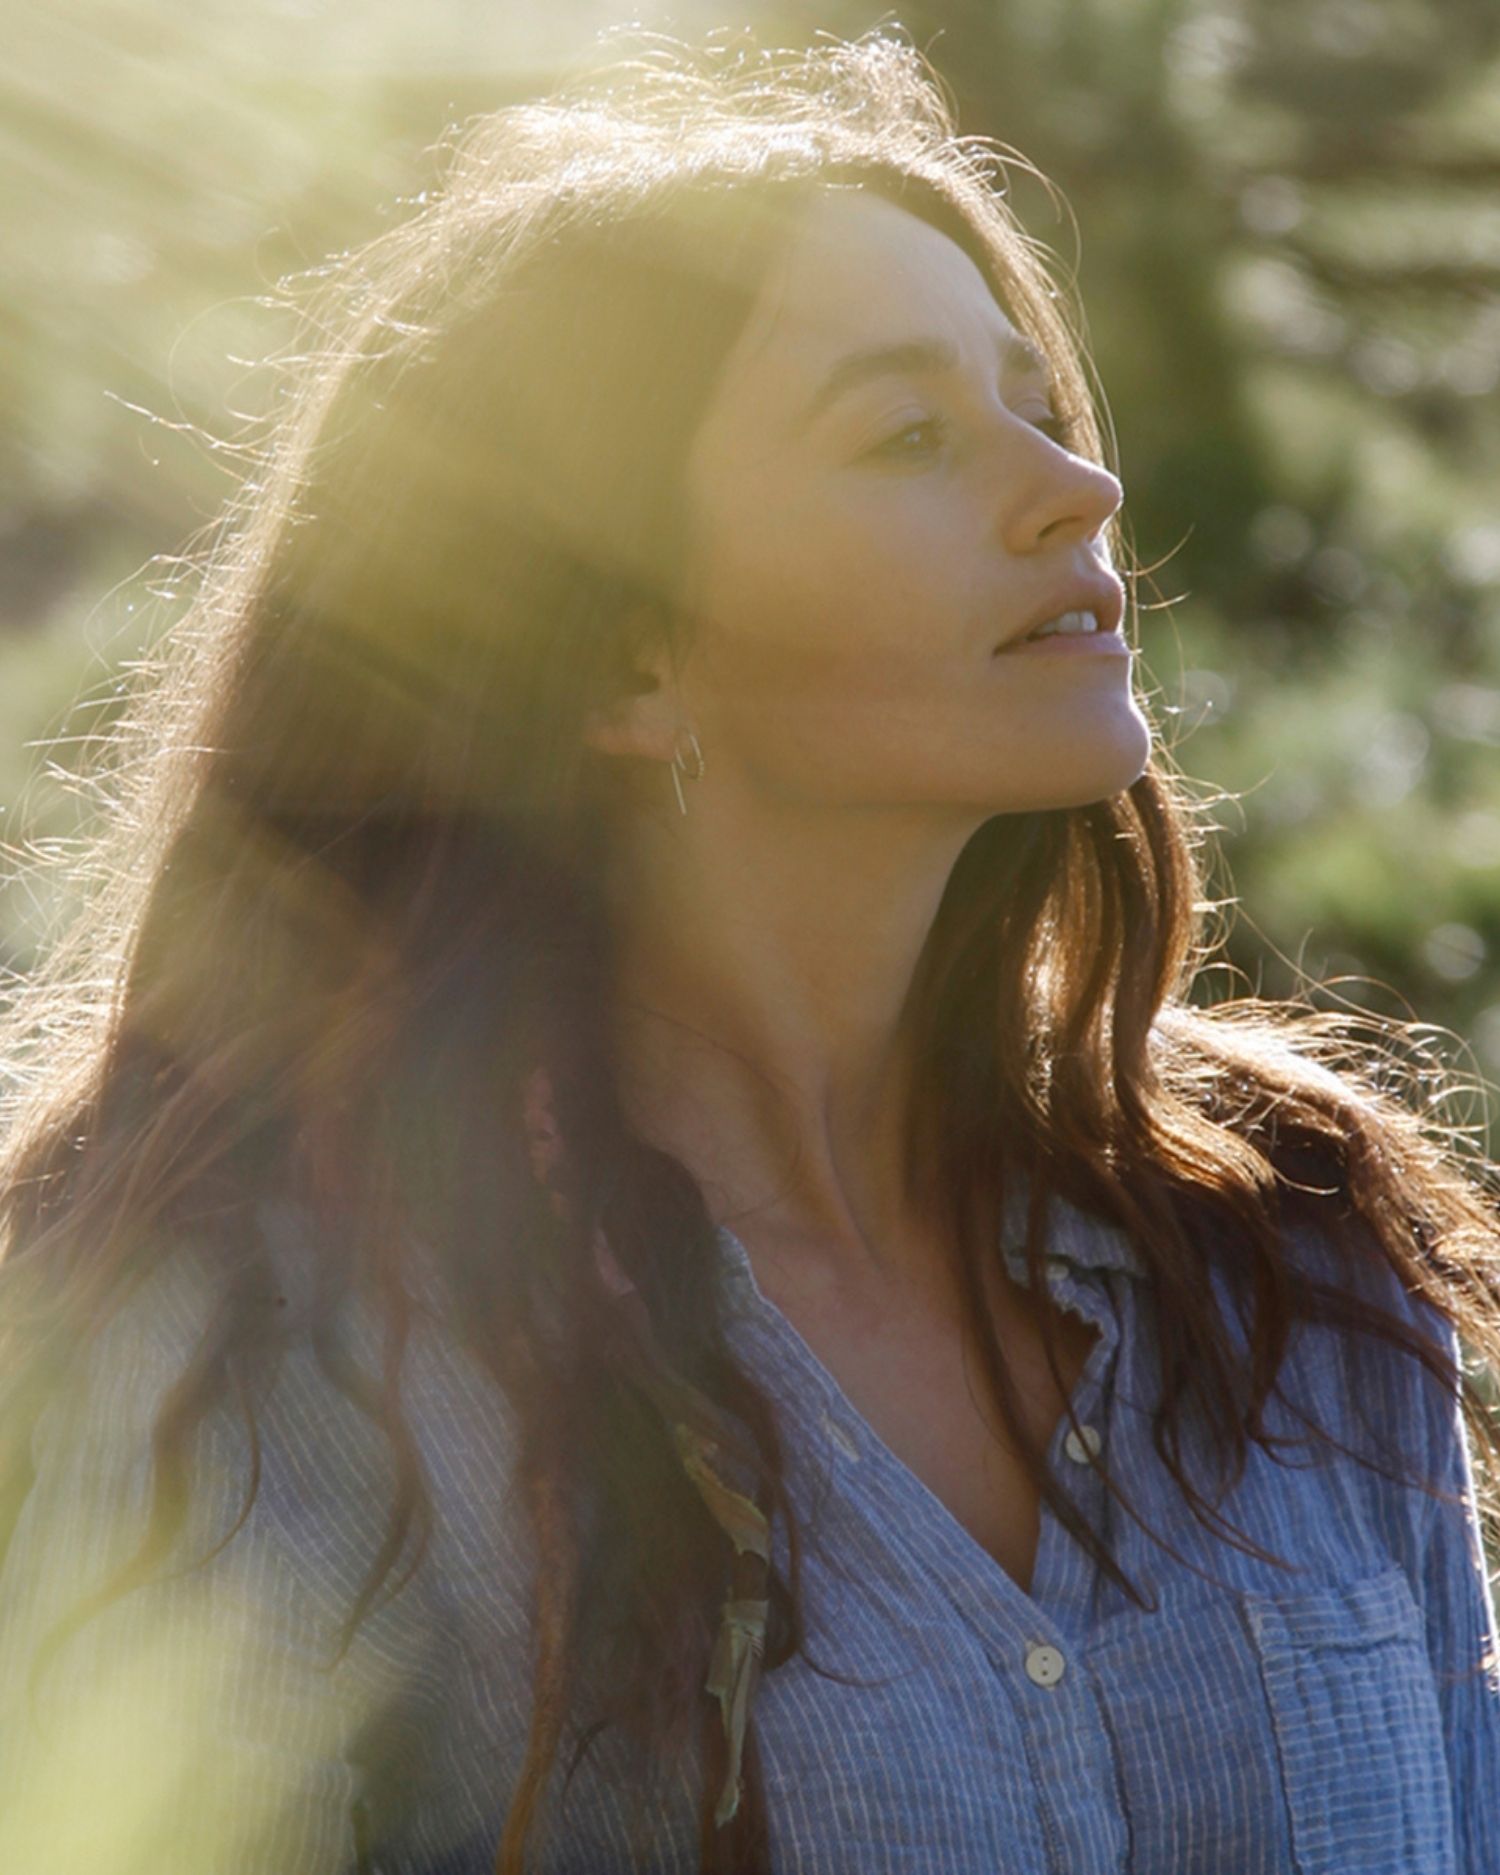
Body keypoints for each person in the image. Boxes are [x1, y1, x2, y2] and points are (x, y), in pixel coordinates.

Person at [0, 26, 1496, 1875]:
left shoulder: (1302, 1273)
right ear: (626, 659)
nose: (1076, 492)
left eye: (1039, 405)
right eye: (911, 435)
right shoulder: (271, 1355)